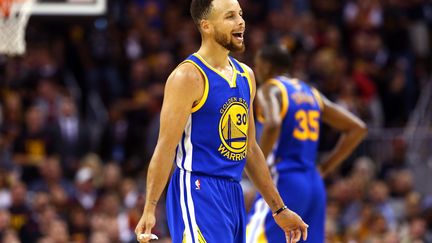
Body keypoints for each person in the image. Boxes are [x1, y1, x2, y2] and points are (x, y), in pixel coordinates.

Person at [134, 0, 309, 243]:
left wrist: (279, 209)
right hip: (197, 188)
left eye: (240, 14)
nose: (240, 22)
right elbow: (165, 148)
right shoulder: (188, 76)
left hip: (233, 193)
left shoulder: (246, 75)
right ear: (206, 26)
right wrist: (150, 208)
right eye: (229, 16)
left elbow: (249, 148)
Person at [246, 44, 367, 243]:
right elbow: (358, 128)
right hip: (314, 183)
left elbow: (273, 123)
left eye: (257, 66)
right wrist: (326, 167)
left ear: (266, 66)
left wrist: (259, 163)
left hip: (284, 180)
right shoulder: (310, 92)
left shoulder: (270, 88)